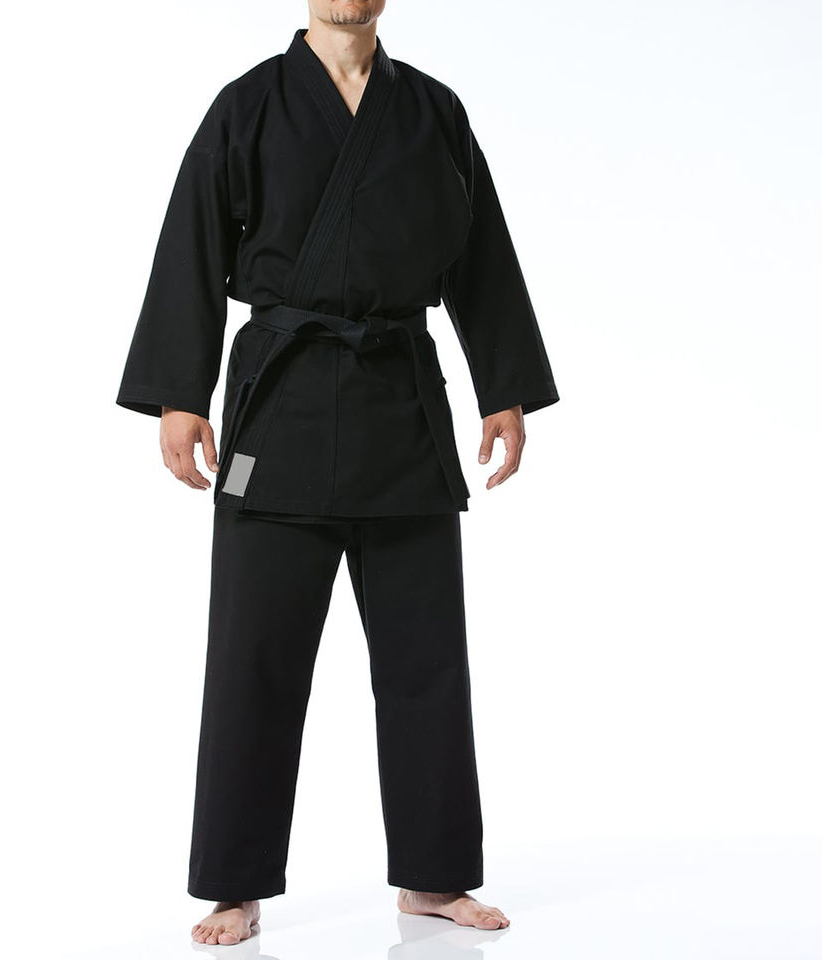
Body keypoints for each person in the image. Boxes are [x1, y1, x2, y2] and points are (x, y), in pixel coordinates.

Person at [116, 0, 559, 947]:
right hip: (278, 412)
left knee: (426, 662)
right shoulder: (246, 106)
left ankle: (434, 877)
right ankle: (234, 884)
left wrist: (506, 388)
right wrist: (178, 394)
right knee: (254, 662)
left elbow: (481, 253)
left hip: (400, 410)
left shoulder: (433, 111)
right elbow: (192, 243)